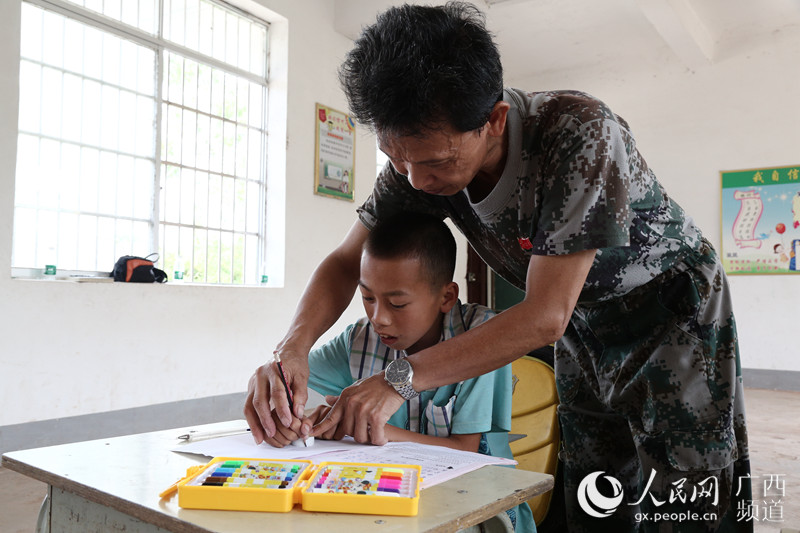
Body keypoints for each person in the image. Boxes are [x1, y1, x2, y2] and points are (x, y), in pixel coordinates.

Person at [244, 3, 751, 531]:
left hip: (668, 312)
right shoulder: (416, 159)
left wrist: (397, 379)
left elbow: (543, 315)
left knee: (685, 492)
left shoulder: (577, 134)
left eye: (436, 162)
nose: (414, 180)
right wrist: (291, 351)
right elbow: (348, 259)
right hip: (583, 323)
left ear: (494, 121)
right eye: (396, 158)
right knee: (596, 484)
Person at [254, 212, 534, 531]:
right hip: (392, 503)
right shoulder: (359, 340)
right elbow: (293, 378)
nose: (379, 318)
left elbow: (465, 452)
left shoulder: (483, 338)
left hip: (478, 510)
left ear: (447, 297)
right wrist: (285, 405)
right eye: (368, 298)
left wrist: (365, 427)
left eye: (397, 304)